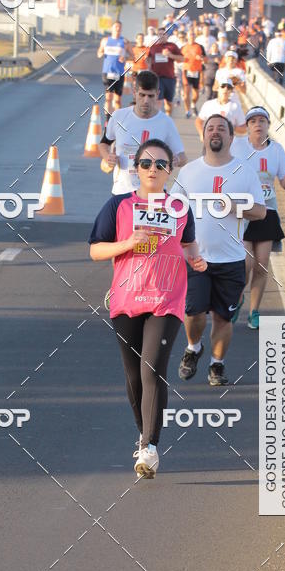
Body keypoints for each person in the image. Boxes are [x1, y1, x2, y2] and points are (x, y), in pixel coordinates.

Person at [89, 140, 207, 477]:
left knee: (151, 369)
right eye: (145, 163)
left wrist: (194, 259)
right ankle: (144, 436)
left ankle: (150, 447)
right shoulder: (119, 205)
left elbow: (188, 243)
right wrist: (128, 243)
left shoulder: (180, 207)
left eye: (160, 164)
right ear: (135, 168)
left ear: (170, 170)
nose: (152, 169)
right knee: (133, 378)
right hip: (126, 300)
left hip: (166, 300)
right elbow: (96, 250)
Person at [173, 115, 266, 385]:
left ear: (230, 137)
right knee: (193, 313)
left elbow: (260, 211)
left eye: (221, 129)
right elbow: (174, 211)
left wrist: (236, 206)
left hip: (232, 260)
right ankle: (194, 347)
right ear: (203, 136)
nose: (215, 132)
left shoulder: (244, 171)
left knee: (224, 318)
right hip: (196, 258)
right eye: (210, 128)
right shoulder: (189, 171)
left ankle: (217, 365)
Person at [231, 106, 285, 330]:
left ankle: (254, 312)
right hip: (245, 212)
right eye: (253, 121)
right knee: (247, 263)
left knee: (261, 266)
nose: (258, 124)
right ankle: (238, 298)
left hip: (267, 213)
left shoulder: (276, 150)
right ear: (247, 126)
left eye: (262, 120)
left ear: (268, 125)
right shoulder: (238, 146)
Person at [98, 70, 187, 194]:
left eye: (150, 96)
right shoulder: (119, 116)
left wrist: (176, 160)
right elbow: (104, 144)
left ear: (157, 94)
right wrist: (108, 157)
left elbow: (183, 157)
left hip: (155, 194)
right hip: (123, 192)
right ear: (134, 93)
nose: (146, 100)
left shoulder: (166, 122)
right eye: (142, 95)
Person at [147, 28, 184, 116]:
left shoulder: (172, 46)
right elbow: (148, 59)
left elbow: (182, 59)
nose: (161, 36)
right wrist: (149, 69)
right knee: (158, 100)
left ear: (167, 36)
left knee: (169, 102)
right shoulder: (153, 47)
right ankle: (157, 120)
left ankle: (168, 118)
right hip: (157, 78)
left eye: (163, 34)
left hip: (169, 77)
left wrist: (170, 55)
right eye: (159, 34)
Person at [97, 21, 127, 118]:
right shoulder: (105, 40)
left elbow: (132, 56)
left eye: (119, 27)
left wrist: (125, 58)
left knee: (117, 99)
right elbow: (99, 53)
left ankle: (117, 119)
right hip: (107, 72)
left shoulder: (124, 41)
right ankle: (107, 119)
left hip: (120, 72)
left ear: (121, 28)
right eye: (116, 27)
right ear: (112, 28)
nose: (117, 29)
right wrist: (101, 52)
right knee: (108, 97)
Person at [181, 29, 206, 118]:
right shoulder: (183, 47)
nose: (191, 36)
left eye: (193, 35)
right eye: (190, 35)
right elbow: (179, 58)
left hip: (196, 72)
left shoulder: (200, 47)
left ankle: (193, 104)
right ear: (187, 37)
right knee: (186, 93)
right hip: (186, 71)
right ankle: (187, 111)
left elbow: (205, 59)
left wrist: (201, 58)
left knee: (196, 95)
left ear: (195, 37)